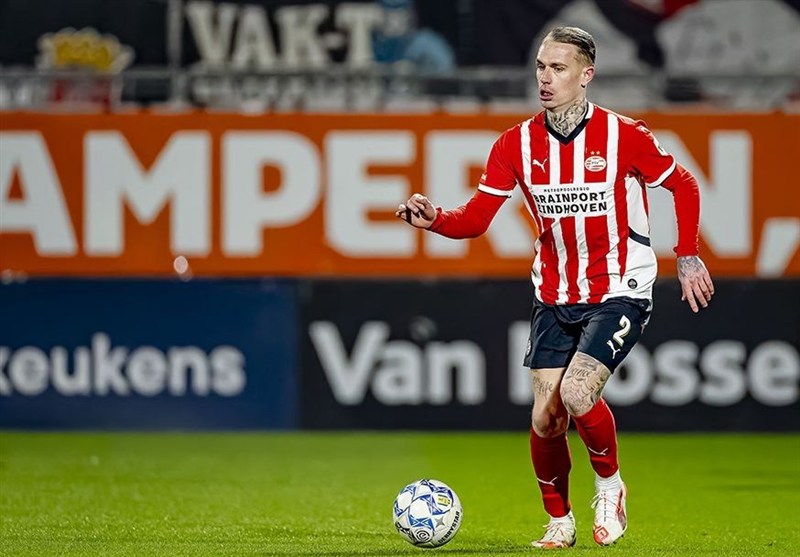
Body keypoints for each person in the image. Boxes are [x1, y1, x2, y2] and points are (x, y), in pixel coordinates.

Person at [395, 26, 714, 549]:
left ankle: (610, 488)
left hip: (621, 286)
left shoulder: (624, 135)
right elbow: (476, 219)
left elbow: (684, 183)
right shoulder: (515, 144)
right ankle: (560, 522)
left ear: (586, 75)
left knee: (577, 391)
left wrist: (687, 255)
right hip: (554, 294)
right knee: (546, 419)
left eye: (559, 68)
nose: (545, 78)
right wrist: (435, 220)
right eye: (541, 67)